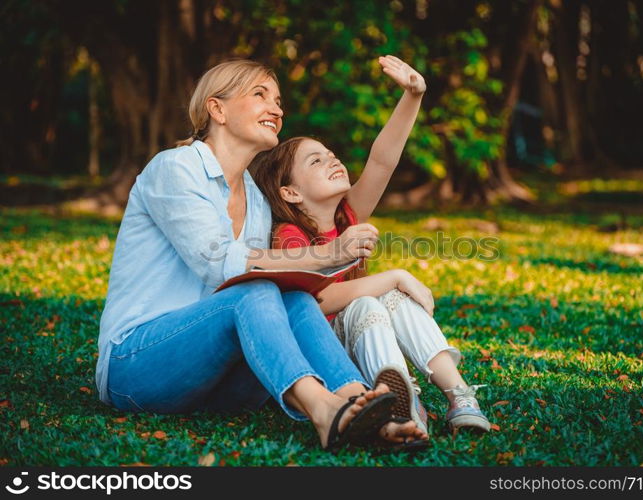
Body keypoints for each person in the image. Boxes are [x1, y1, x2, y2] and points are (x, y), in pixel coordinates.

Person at [96, 59, 428, 452]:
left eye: (278, 100)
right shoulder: (176, 168)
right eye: (260, 95)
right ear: (216, 110)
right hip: (137, 366)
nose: (277, 109)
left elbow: (377, 168)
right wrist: (327, 254)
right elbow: (219, 264)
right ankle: (325, 411)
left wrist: (413, 96)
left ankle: (363, 406)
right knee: (252, 292)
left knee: (294, 298)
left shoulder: (256, 199)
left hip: (215, 381)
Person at [252, 55, 491, 436]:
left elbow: (382, 161)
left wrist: (413, 95)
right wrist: (394, 276)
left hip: (365, 339)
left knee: (392, 300)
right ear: (290, 192)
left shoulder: (348, 215)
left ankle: (459, 396)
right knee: (370, 298)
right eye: (316, 161)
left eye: (331, 155)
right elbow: (318, 301)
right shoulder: (289, 236)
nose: (333, 161)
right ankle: (400, 402)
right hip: (329, 360)